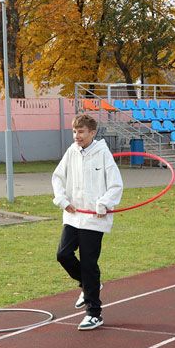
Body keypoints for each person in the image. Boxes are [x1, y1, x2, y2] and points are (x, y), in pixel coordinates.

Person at [52, 114, 123, 331]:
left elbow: (116, 185)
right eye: (74, 131)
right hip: (74, 216)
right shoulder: (71, 152)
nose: (77, 136)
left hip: (94, 218)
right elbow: (57, 177)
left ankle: (94, 312)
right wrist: (63, 200)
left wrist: (103, 204)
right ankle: (87, 284)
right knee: (62, 254)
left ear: (92, 133)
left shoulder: (103, 154)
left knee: (89, 263)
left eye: (81, 132)